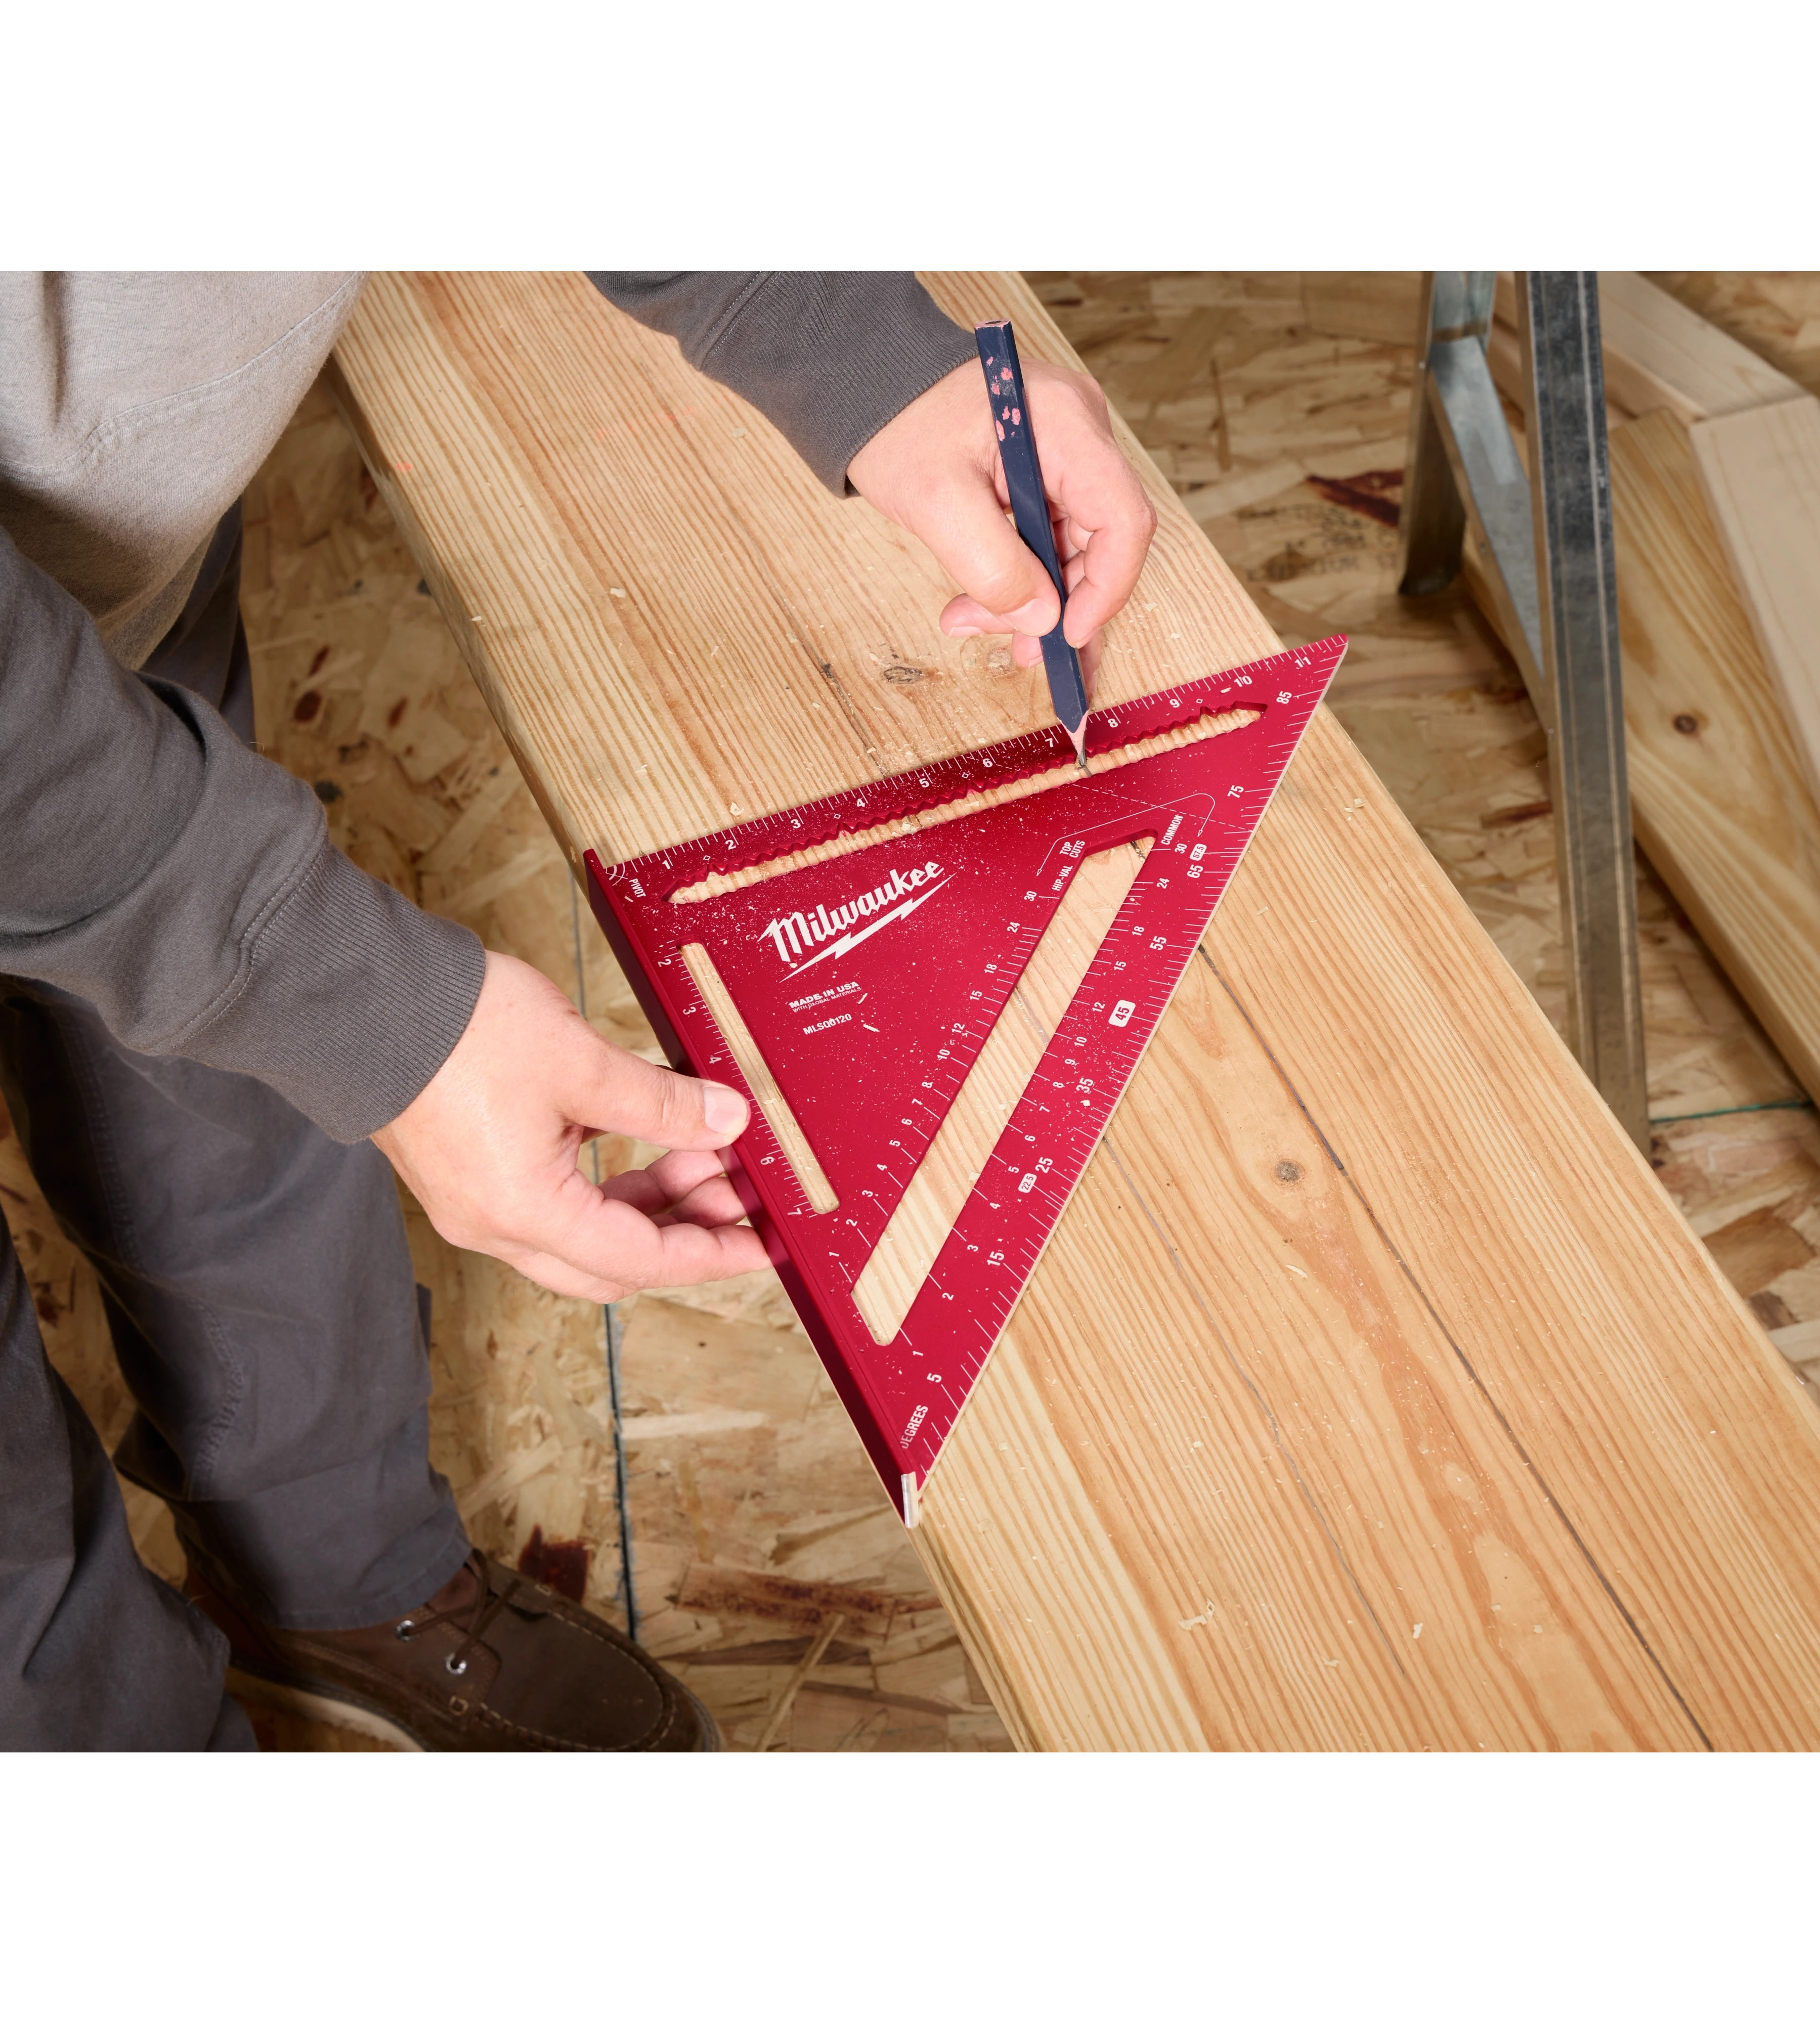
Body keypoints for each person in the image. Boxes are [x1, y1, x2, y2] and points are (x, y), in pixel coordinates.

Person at [0, 271, 1156, 1754]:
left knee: (236, 1115)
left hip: (102, 581)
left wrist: (848, 344)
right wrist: (311, 971)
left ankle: (339, 1592)